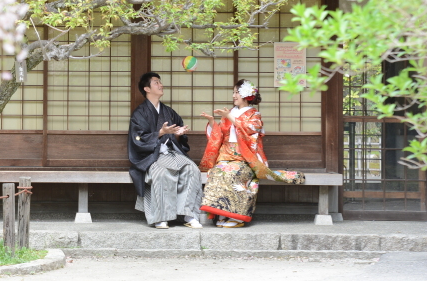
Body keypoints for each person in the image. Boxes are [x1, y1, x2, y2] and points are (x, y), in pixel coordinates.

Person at [199, 79, 305, 227]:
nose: (233, 95)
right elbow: (220, 135)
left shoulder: (254, 115)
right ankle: (222, 213)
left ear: (245, 95)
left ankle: (238, 217)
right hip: (226, 156)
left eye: (237, 92)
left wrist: (229, 117)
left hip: (246, 159)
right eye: (234, 92)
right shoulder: (231, 113)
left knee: (233, 174)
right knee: (217, 173)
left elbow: (250, 131)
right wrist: (212, 123)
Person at [128, 72, 204, 229]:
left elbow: (177, 138)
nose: (160, 85)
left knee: (192, 169)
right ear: (147, 88)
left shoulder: (168, 112)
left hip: (171, 152)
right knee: (161, 173)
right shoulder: (139, 113)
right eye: (156, 82)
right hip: (152, 156)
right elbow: (138, 140)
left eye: (160, 82)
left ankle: (189, 214)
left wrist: (177, 134)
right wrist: (160, 133)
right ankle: (161, 217)